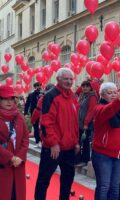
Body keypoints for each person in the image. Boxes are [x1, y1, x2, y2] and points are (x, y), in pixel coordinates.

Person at [34, 68, 80, 200]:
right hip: (53, 148)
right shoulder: (50, 95)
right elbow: (46, 122)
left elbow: (74, 122)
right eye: (66, 78)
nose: (69, 81)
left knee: (67, 180)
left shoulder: (72, 96)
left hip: (69, 148)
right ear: (58, 79)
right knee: (44, 180)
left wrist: (76, 141)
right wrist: (53, 143)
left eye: (71, 79)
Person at [92, 82, 120, 200]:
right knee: (104, 186)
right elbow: (108, 111)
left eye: (115, 92)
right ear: (102, 95)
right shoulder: (99, 108)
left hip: (119, 154)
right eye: (109, 93)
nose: (113, 95)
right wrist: (118, 102)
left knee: (115, 187)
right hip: (103, 154)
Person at [0, 85, 29, 200]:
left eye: (11, 98)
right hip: (3, 164)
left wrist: (20, 156)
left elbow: (25, 138)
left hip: (18, 164)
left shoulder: (18, 116)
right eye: (5, 98)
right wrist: (10, 157)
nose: (9, 101)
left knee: (16, 194)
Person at [76, 80, 98, 166]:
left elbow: (91, 111)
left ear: (90, 87)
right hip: (79, 122)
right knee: (79, 141)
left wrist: (86, 123)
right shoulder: (83, 95)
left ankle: (85, 160)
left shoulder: (92, 96)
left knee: (85, 142)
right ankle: (78, 159)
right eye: (83, 86)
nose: (85, 88)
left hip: (86, 124)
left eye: (87, 86)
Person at [24, 82, 42, 148]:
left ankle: (42, 141)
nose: (39, 87)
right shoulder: (31, 95)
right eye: (37, 86)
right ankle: (38, 141)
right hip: (34, 113)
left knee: (42, 128)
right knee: (36, 127)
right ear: (35, 87)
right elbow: (27, 104)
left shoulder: (43, 94)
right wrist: (25, 113)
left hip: (42, 114)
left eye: (40, 85)